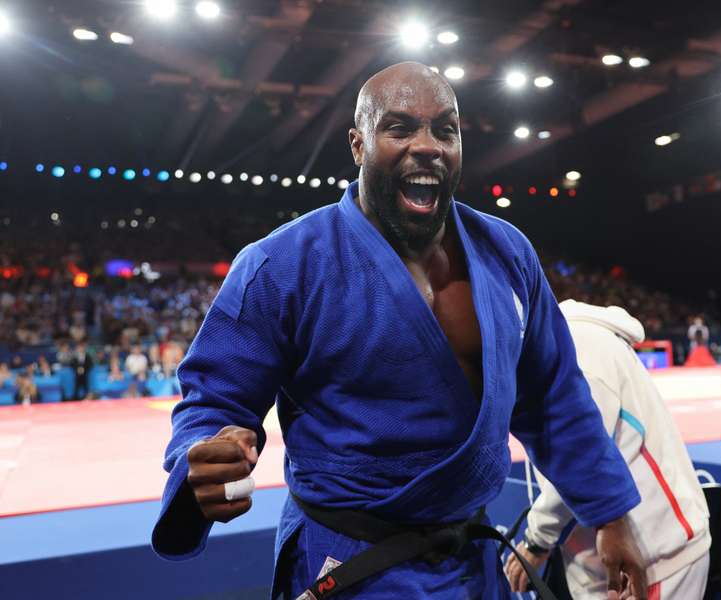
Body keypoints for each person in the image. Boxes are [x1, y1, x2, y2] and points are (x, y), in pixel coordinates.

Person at [152, 62, 645, 600]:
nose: (428, 145)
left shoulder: (507, 253)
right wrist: (204, 452)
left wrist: (611, 514)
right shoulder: (282, 264)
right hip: (352, 563)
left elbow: (553, 398)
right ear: (358, 144)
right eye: (400, 127)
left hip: (471, 560)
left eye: (445, 129)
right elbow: (213, 402)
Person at [505, 302, 710, 599]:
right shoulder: (559, 344)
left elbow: (580, 461)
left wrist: (537, 540)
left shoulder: (579, 348)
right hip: (618, 561)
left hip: (652, 559)